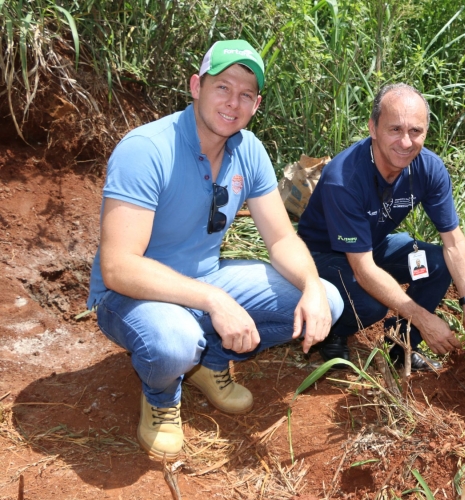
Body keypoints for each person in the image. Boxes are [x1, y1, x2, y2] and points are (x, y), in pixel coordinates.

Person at [86, 40, 344, 459]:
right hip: (132, 295)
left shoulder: (249, 151)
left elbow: (280, 238)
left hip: (205, 277)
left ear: (256, 104)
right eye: (223, 87)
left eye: (245, 94)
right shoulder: (147, 150)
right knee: (174, 342)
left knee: (327, 302)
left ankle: (210, 361)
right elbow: (118, 267)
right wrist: (213, 299)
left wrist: (312, 285)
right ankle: (161, 394)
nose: (233, 102)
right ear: (196, 87)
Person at [297, 83, 465, 371]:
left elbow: (454, 243)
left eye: (416, 131)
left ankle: (402, 344)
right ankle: (334, 330)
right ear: (373, 128)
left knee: (437, 263)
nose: (406, 142)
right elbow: (363, 270)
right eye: (395, 129)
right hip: (321, 255)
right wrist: (424, 318)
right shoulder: (345, 177)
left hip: (370, 244)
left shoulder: (428, 168)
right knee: (371, 303)